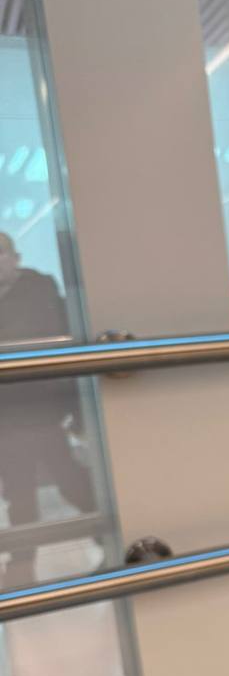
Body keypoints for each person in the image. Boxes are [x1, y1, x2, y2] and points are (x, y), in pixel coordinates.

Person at [0, 231, 96, 585]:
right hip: (8, 414)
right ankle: (22, 566)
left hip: (42, 407)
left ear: (15, 258)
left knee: (67, 480)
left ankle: (109, 536)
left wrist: (74, 405)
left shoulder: (39, 289)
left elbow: (62, 343)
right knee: (20, 489)